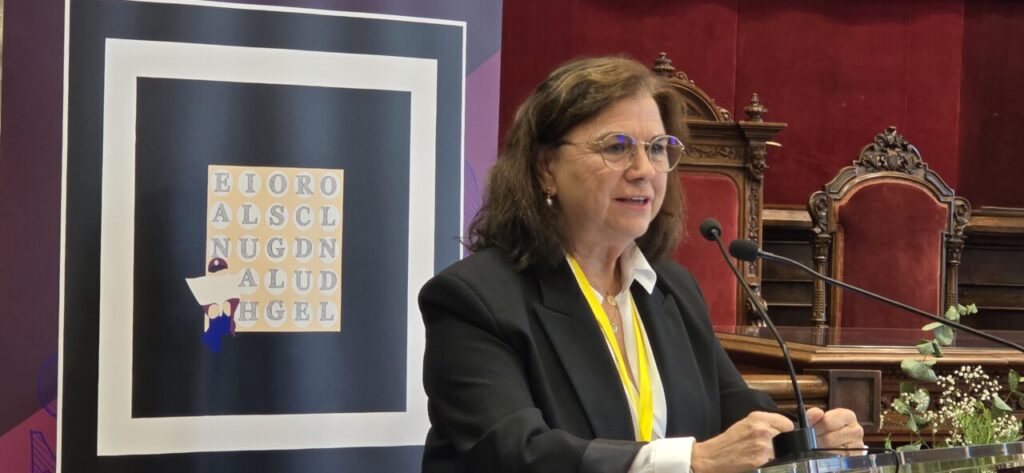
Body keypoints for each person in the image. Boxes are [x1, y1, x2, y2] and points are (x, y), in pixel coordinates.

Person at [419, 56, 863, 473]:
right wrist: (691, 461)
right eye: (616, 147)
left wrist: (807, 436)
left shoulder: (670, 287)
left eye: (657, 148)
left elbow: (734, 409)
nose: (644, 169)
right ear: (545, 168)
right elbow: (514, 451)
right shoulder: (475, 299)